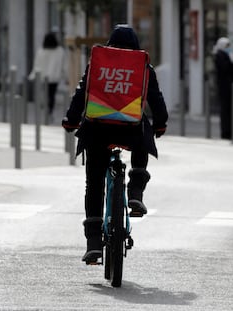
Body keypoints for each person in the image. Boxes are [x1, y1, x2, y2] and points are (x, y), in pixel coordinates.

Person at [62, 25, 168, 263]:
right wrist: (160, 124)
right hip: (130, 131)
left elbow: (82, 93)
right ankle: (135, 191)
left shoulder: (98, 64)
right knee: (144, 129)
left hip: (97, 130)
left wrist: (70, 120)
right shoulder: (142, 65)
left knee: (95, 182)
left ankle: (93, 243)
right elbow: (155, 98)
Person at [29, 32, 66, 122]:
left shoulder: (41, 51)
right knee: (51, 95)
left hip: (43, 76)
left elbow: (37, 64)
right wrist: (65, 76)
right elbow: (63, 65)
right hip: (54, 77)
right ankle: (49, 111)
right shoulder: (60, 51)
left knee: (45, 94)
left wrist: (33, 74)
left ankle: (46, 110)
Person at [213, 37, 233, 139]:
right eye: (226, 46)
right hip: (223, 87)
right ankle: (225, 132)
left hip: (229, 87)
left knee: (229, 110)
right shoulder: (219, 55)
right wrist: (231, 60)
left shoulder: (224, 55)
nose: (228, 48)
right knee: (225, 110)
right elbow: (225, 68)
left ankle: (229, 131)